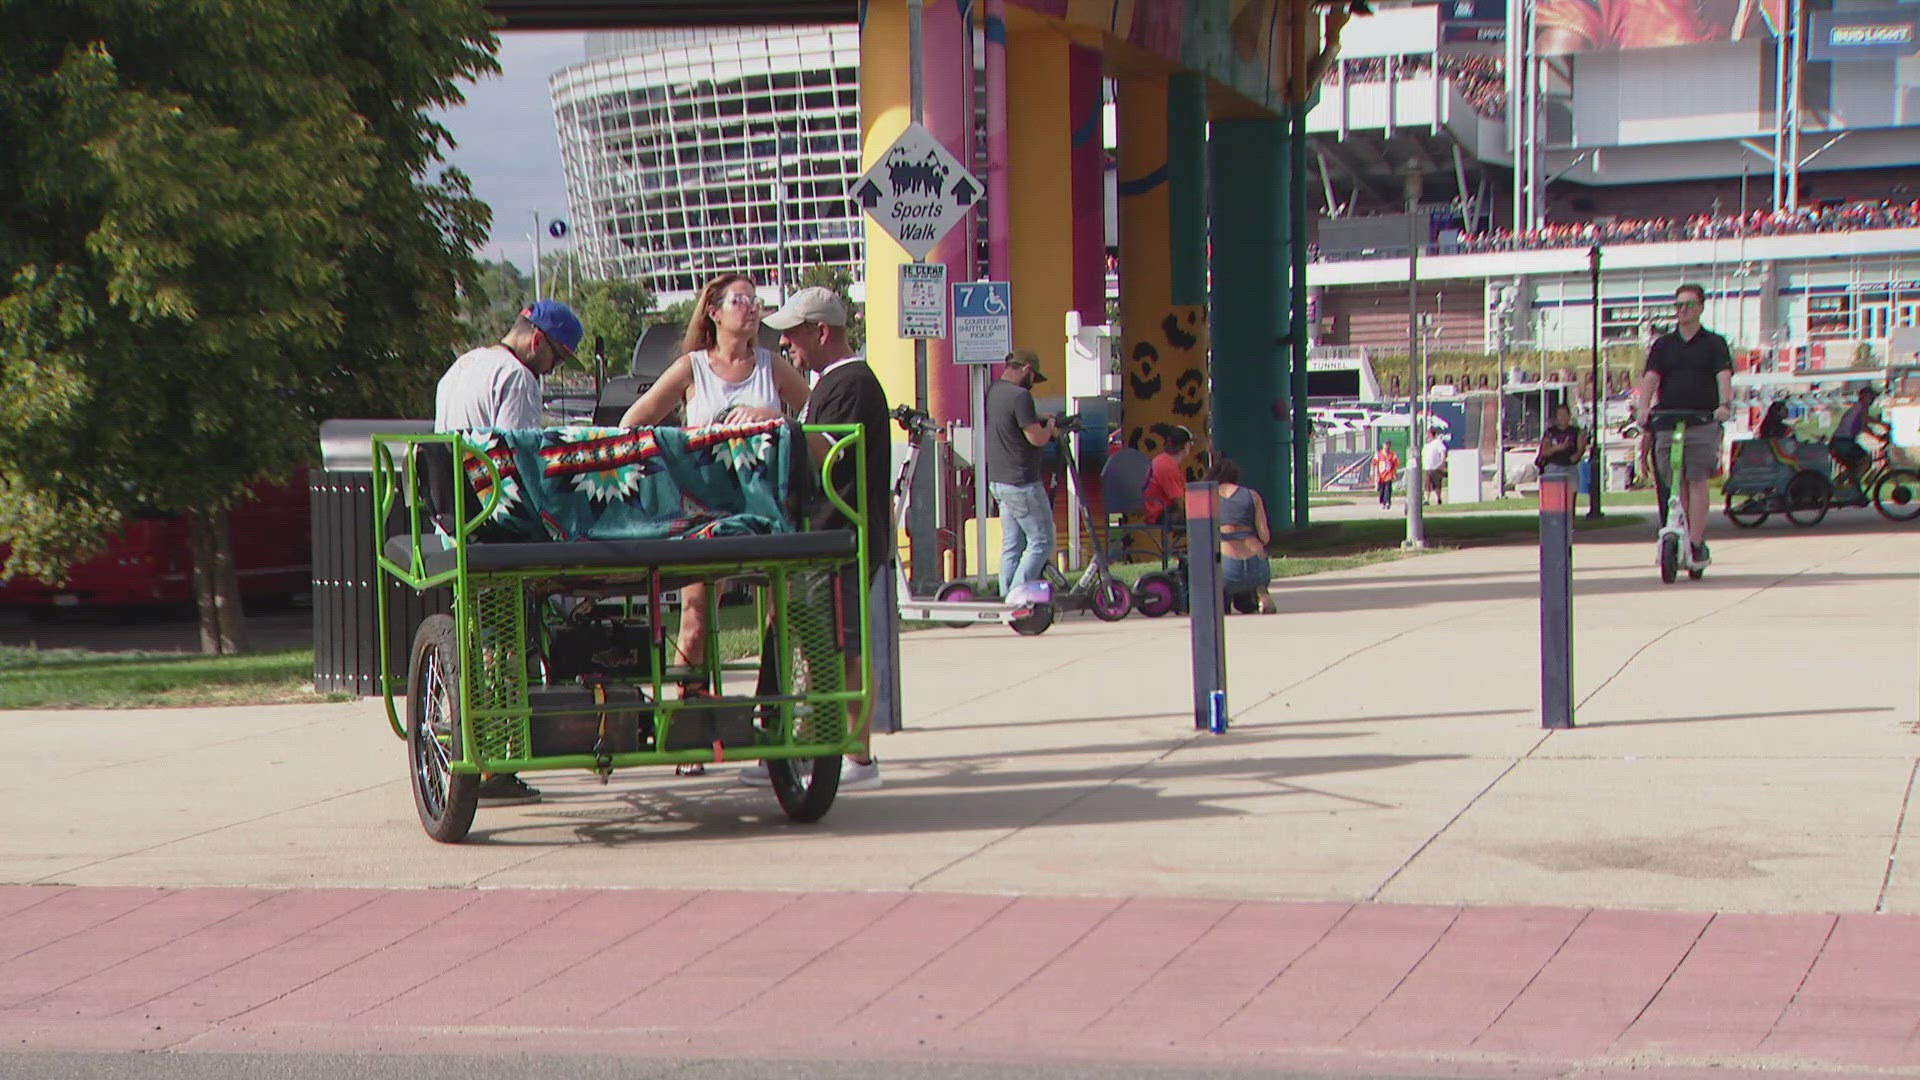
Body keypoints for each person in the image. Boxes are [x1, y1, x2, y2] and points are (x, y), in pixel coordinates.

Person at [617, 273, 810, 773]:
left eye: (756, 301)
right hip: (703, 512)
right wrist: (683, 450)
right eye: (740, 300)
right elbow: (634, 423)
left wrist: (773, 414)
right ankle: (691, 728)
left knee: (779, 617)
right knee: (696, 617)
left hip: (765, 511)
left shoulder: (773, 366)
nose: (751, 309)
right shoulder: (692, 368)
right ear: (714, 312)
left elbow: (816, 420)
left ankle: (772, 720)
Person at [737, 286, 889, 791]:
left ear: (822, 332)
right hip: (822, 537)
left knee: (843, 646)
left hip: (841, 537)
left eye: (793, 336)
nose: (787, 347)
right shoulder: (830, 383)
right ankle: (790, 748)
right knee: (805, 640)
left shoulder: (851, 383)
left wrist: (775, 423)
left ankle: (857, 757)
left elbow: (829, 452)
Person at [433, 298, 584, 808]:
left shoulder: (462, 366)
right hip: (495, 528)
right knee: (511, 644)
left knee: (484, 643)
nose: (553, 371)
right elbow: (523, 461)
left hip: (455, 523)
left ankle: (481, 747)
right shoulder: (517, 377)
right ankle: (500, 758)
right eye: (558, 359)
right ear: (536, 341)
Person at [1635, 283, 1733, 567]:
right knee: (1673, 481)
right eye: (1679, 305)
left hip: (1702, 420)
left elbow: (1723, 376)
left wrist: (1723, 406)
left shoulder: (1714, 343)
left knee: (1696, 479)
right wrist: (1644, 409)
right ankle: (1679, 530)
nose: (1683, 310)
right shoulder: (1663, 345)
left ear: (1701, 307)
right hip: (1668, 419)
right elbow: (1651, 378)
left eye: (1689, 305)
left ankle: (1696, 541)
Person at [985, 348, 1058, 598]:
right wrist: (1049, 429)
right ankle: (1018, 598)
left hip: (999, 481)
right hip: (1022, 483)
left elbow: (1012, 419)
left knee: (1013, 545)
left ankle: (1006, 598)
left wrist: (1038, 418)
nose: (1033, 385)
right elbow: (1036, 438)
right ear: (1027, 369)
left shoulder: (994, 391)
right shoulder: (1020, 396)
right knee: (1041, 541)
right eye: (1034, 378)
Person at [1208, 457, 1275, 615]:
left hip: (1226, 567)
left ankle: (1224, 599)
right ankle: (1261, 593)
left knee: (1221, 587)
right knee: (1256, 579)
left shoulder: (1208, 497)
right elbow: (1265, 536)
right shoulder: (1252, 496)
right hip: (1256, 566)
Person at [1143, 425, 1196, 525]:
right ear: (1185, 446)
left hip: (1160, 512)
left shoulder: (1163, 461)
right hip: (1162, 514)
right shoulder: (1167, 466)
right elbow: (1179, 502)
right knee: (1207, 520)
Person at [1828, 387, 1879, 485]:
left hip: (1840, 441)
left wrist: (1880, 424)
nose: (1872, 399)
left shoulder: (1858, 407)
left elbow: (1866, 420)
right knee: (1865, 461)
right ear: (1863, 396)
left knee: (1854, 467)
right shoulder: (1863, 407)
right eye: (1870, 396)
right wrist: (1878, 437)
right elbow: (1864, 425)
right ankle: (1850, 487)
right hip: (1843, 442)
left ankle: (1840, 486)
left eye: (1873, 397)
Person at [1535, 404, 1590, 471]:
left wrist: (1577, 456)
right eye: (1560, 415)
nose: (1563, 417)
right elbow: (1543, 452)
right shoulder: (1550, 432)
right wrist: (1556, 448)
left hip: (1571, 467)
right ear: (1556, 417)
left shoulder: (1576, 431)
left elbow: (1581, 449)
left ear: (1569, 416)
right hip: (1553, 466)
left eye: (1565, 414)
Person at [1421, 425, 1449, 507]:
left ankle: (1439, 498)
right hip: (1427, 468)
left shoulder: (1437, 442)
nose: (1426, 436)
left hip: (1436, 467)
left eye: (1427, 434)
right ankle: (1426, 500)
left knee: (1437, 484)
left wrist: (1442, 462)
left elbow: (1443, 451)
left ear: (1430, 434)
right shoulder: (1426, 445)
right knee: (1427, 484)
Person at [1373, 441, 1399, 510]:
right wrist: (1374, 474)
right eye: (1385, 445)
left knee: (1388, 488)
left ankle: (1387, 501)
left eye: (1388, 445)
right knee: (1382, 490)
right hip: (1381, 475)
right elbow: (1374, 464)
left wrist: (1394, 473)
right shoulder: (1378, 454)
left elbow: (1395, 464)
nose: (1387, 447)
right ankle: (1383, 502)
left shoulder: (1392, 454)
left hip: (1389, 474)